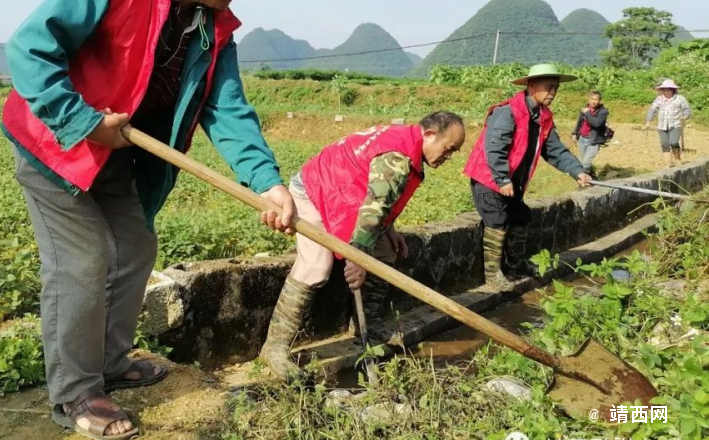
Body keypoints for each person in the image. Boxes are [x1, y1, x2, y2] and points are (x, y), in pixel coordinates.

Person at [1, 0, 297, 440]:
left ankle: (110, 364)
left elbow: (227, 108)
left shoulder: (214, 28)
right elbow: (29, 47)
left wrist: (269, 182)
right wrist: (82, 120)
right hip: (54, 144)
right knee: (82, 259)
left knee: (135, 245)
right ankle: (75, 392)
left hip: (116, 151)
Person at [259, 112, 466, 378]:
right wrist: (357, 258)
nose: (448, 156)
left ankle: (368, 326)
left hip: (340, 194)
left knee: (386, 251)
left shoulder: (404, 140)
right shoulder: (397, 157)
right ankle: (274, 347)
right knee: (316, 265)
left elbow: (376, 194)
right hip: (314, 192)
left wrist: (388, 228)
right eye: (449, 148)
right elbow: (374, 208)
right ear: (429, 134)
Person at [464, 64, 593, 282]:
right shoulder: (507, 112)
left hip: (512, 181)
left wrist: (577, 171)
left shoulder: (543, 118)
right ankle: (493, 274)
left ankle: (516, 265)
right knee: (497, 220)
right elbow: (495, 147)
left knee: (521, 216)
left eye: (556, 88)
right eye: (549, 87)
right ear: (531, 85)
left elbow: (554, 150)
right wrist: (502, 178)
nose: (553, 92)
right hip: (489, 178)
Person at [645, 79, 691, 168]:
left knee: (673, 142)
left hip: (675, 124)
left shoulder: (679, 98)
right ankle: (668, 163)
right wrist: (648, 120)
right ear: (662, 90)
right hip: (662, 125)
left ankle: (677, 159)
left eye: (668, 90)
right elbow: (652, 110)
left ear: (673, 90)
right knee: (665, 144)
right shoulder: (659, 99)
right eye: (664, 90)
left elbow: (686, 108)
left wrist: (685, 116)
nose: (666, 92)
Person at [572, 90, 610, 177]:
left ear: (599, 100)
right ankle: (592, 176)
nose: (593, 101)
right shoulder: (585, 109)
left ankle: (585, 181)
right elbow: (579, 122)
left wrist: (587, 113)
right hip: (582, 139)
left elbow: (597, 123)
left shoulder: (603, 112)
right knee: (582, 161)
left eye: (596, 99)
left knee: (585, 164)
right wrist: (575, 133)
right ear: (588, 99)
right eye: (592, 99)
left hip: (594, 141)